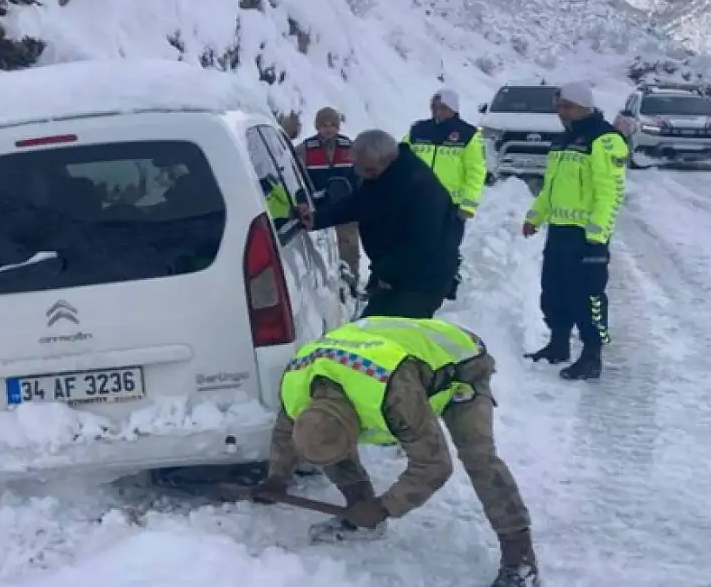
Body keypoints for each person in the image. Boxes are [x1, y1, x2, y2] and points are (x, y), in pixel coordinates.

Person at [254, 316, 539, 587]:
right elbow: (285, 431)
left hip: (459, 362)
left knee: (478, 457)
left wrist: (383, 508)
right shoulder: (297, 388)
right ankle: (359, 509)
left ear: (357, 428)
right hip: (389, 351)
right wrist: (277, 478)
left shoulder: (393, 395)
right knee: (326, 444)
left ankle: (520, 557)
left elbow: (434, 465)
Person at [522, 82, 627, 380]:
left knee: (587, 296)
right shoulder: (563, 140)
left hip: (586, 236)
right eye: (558, 107)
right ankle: (558, 345)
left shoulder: (605, 139)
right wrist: (535, 216)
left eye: (567, 106)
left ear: (584, 106)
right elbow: (550, 187)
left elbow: (611, 192)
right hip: (560, 232)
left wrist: (597, 235)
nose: (561, 112)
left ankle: (592, 355)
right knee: (554, 291)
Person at [302, 129, 458, 318]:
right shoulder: (383, 175)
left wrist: (387, 274)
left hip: (421, 281)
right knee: (373, 331)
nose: (358, 172)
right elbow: (357, 203)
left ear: (382, 160)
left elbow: (422, 244)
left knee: (390, 338)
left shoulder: (421, 188)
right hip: (395, 276)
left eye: (363, 167)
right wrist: (317, 218)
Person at [402, 88, 487, 301]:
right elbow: (401, 158)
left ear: (453, 109)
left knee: (447, 246)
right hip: (419, 201)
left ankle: (447, 282)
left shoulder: (468, 135)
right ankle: (417, 281)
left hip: (451, 204)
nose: (438, 111)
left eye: (443, 107)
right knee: (417, 242)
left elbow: (476, 171)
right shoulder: (418, 130)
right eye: (435, 107)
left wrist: (469, 204)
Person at [295, 107, 362, 294]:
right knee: (320, 249)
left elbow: (360, 176)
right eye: (324, 125)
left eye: (332, 125)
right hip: (319, 209)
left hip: (346, 208)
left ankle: (351, 285)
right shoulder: (304, 149)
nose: (328, 129)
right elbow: (296, 178)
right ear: (317, 126)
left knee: (348, 246)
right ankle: (323, 287)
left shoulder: (349, 146)